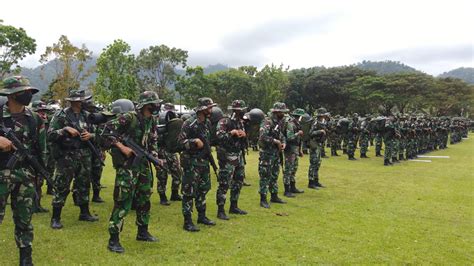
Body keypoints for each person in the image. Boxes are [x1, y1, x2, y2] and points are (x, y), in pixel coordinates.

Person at [102, 94, 162, 253]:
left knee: (144, 197)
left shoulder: (151, 120)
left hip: (142, 165)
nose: (156, 107)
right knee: (123, 200)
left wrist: (155, 158)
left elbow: (152, 141)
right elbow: (107, 131)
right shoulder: (128, 118)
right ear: (145, 105)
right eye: (153, 105)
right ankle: (113, 239)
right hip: (128, 167)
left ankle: (143, 231)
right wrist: (122, 147)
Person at [0, 76, 47, 265]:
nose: (28, 95)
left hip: (25, 177)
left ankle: (26, 259)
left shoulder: (35, 119)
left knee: (24, 221)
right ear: (11, 95)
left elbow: (41, 151)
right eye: (23, 92)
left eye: (29, 92)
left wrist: (39, 178)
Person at [48, 90, 99, 229]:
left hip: (84, 155)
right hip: (66, 156)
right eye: (82, 100)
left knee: (84, 184)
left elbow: (98, 133)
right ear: (75, 101)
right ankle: (55, 218)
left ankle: (84, 213)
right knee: (61, 186)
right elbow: (50, 135)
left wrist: (91, 135)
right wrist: (64, 130)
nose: (85, 102)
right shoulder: (61, 115)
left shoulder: (87, 116)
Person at [178, 97, 217, 232]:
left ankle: (202, 216)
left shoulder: (207, 123)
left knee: (203, 189)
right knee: (189, 192)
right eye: (209, 107)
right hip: (191, 162)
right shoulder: (189, 123)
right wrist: (194, 141)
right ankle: (187, 221)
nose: (211, 110)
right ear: (202, 109)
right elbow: (180, 142)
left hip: (204, 161)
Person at [215, 100, 248, 220]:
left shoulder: (240, 122)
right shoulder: (224, 121)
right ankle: (220, 209)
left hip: (238, 155)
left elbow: (243, 139)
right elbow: (219, 136)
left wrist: (243, 135)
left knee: (238, 180)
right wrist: (231, 133)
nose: (240, 112)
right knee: (224, 183)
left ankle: (234, 205)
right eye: (238, 110)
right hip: (227, 156)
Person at [258, 102, 287, 208]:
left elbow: (281, 135)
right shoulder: (267, 121)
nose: (284, 114)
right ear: (277, 112)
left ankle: (274, 196)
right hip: (267, 154)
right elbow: (262, 137)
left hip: (275, 154)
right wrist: (276, 141)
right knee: (265, 176)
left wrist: (283, 143)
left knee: (274, 175)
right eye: (282, 112)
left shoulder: (279, 122)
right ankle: (263, 198)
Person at [156, 103, 182, 205]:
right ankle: (162, 196)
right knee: (162, 175)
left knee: (177, 172)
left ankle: (174, 193)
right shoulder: (158, 120)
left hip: (171, 150)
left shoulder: (174, 120)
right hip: (161, 150)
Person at [282, 108, 305, 198]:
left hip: (295, 149)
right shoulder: (290, 124)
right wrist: (298, 133)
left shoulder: (297, 124)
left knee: (294, 168)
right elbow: (289, 137)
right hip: (290, 149)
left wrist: (300, 150)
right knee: (288, 169)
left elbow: (299, 140)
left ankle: (293, 187)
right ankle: (287, 190)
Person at [308, 109, 327, 189]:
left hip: (318, 144)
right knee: (313, 163)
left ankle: (316, 181)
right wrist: (320, 131)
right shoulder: (315, 122)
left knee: (318, 163)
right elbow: (311, 133)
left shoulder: (321, 122)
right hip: (314, 144)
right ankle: (311, 182)